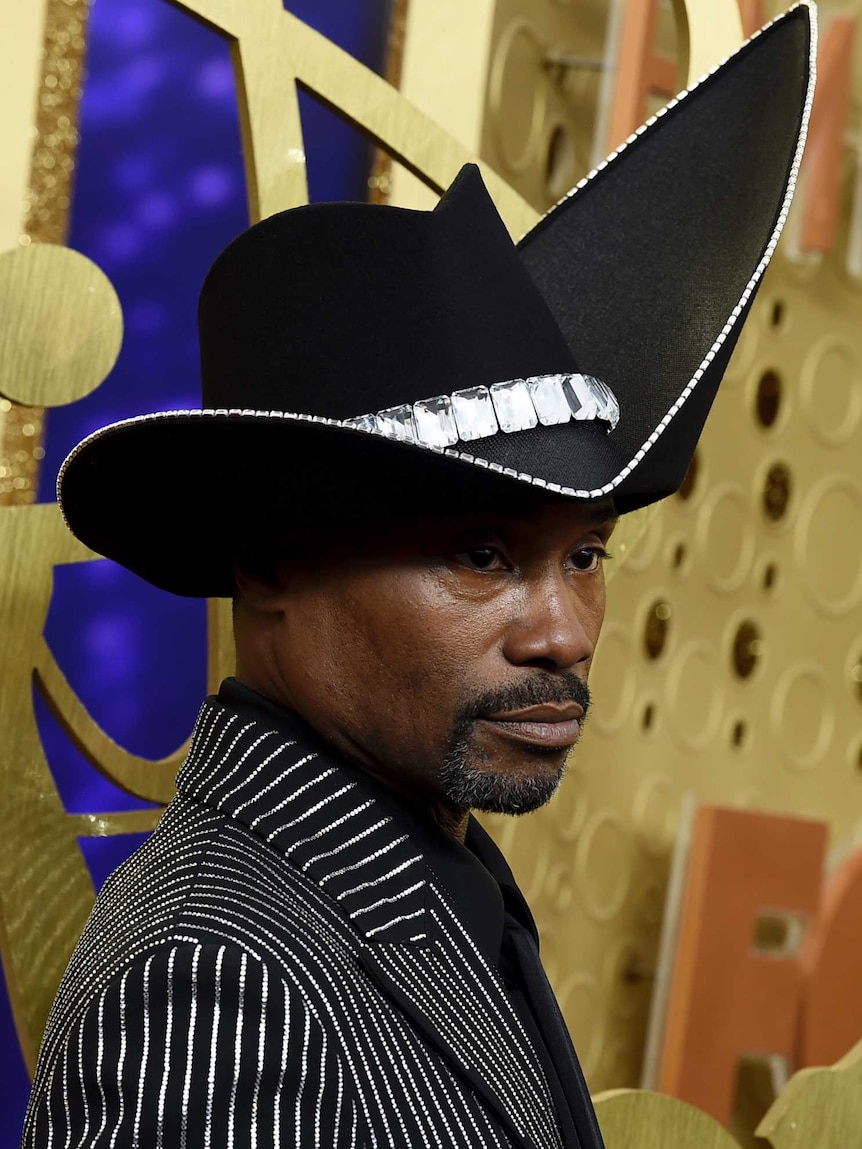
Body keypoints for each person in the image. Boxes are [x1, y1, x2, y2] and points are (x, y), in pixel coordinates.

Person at [21, 7, 813, 1147]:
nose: (564, 632)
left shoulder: (421, 867)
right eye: (480, 555)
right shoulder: (213, 986)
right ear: (273, 561)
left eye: (583, 555)